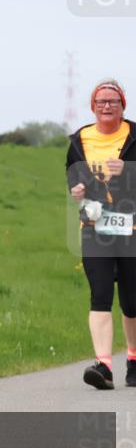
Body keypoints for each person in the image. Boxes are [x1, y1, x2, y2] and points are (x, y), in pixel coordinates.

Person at [66, 79, 136, 389]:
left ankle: (133, 359)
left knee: (132, 302)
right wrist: (76, 190)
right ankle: (104, 366)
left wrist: (128, 171)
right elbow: (72, 175)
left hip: (132, 228)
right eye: (101, 101)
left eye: (113, 101)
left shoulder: (134, 136)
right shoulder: (79, 139)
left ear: (123, 106)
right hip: (95, 227)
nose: (107, 106)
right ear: (93, 106)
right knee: (100, 295)